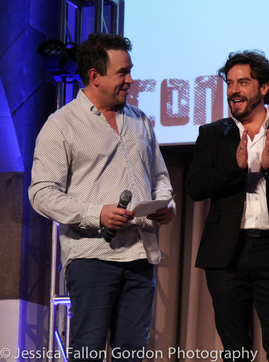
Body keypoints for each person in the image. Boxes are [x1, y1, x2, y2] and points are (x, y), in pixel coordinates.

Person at [29, 33, 175, 361]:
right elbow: (40, 193)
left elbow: (160, 178)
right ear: (95, 76)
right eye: (122, 73)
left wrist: (166, 205)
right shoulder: (61, 125)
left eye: (130, 71)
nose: (131, 80)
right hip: (92, 256)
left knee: (132, 354)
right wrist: (97, 214)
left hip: (140, 256)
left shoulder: (140, 121)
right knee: (89, 351)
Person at [186, 50, 269, 362]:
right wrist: (235, 166)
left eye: (243, 82)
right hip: (225, 254)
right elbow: (195, 188)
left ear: (264, 87)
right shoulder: (211, 134)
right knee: (235, 352)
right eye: (230, 83)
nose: (234, 90)